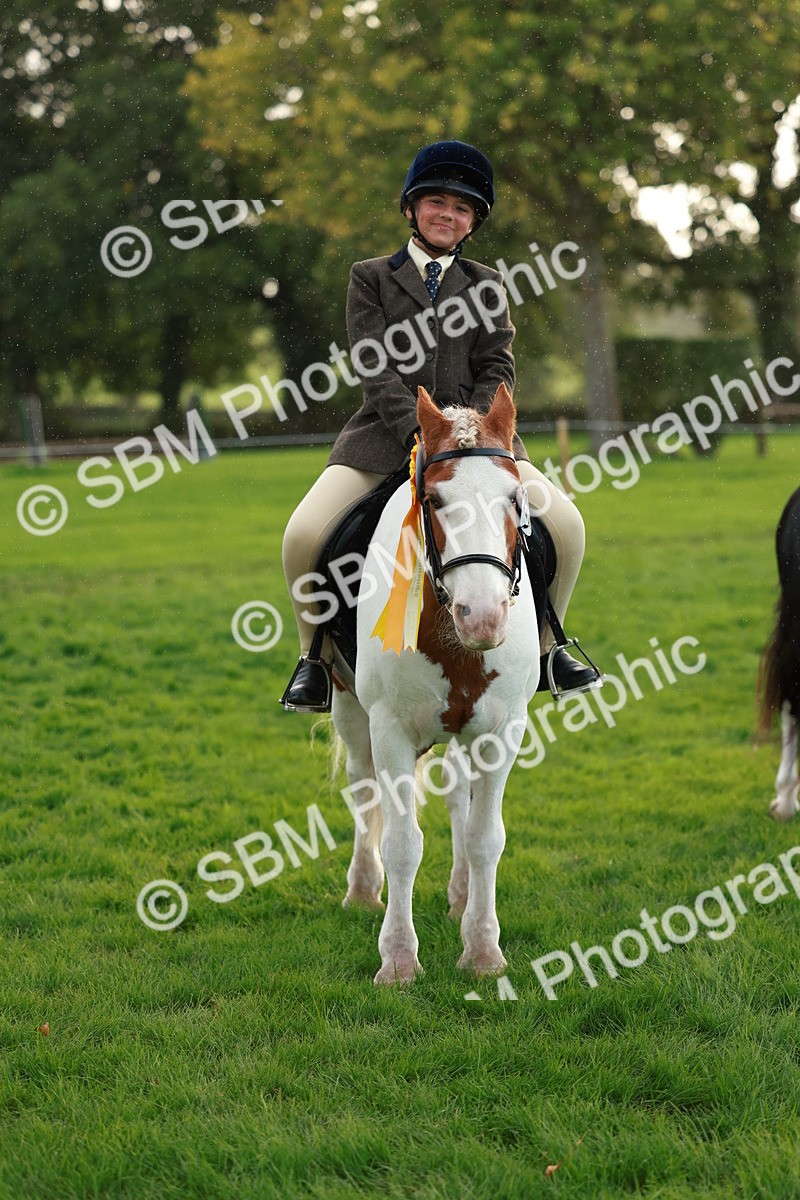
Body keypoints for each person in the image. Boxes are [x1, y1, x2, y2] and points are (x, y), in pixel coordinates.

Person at [280, 140, 600, 712]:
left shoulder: (486, 284)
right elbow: (374, 366)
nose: (447, 214)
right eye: (436, 202)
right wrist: (424, 431)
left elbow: (497, 366)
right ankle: (315, 660)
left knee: (568, 526)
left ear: (473, 222)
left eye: (461, 208)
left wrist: (470, 433)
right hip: (384, 437)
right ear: (411, 208)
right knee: (302, 535)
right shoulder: (370, 278)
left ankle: (550, 647)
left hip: (482, 444)